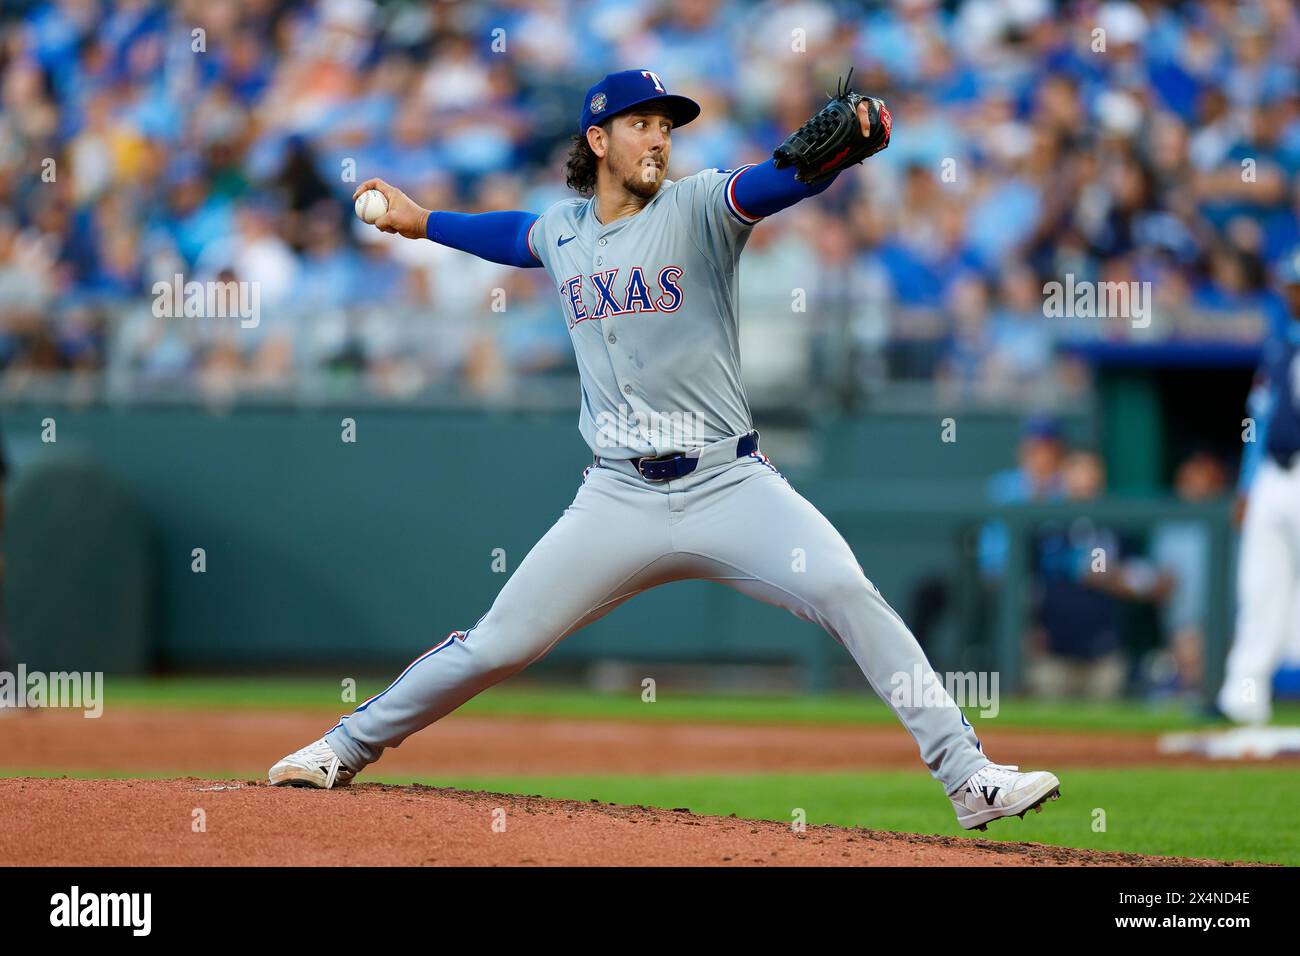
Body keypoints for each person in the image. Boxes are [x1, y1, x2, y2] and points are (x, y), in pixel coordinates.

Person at [269, 69, 1060, 830]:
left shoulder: (699, 206)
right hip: (616, 498)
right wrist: (422, 221)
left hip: (730, 483)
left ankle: (967, 776)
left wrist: (831, 153)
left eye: (666, 126)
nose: (659, 138)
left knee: (848, 592)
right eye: (642, 123)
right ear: (598, 138)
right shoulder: (564, 230)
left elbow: (776, 182)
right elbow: (509, 236)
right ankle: (342, 746)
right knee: (496, 646)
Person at [1217, 245, 1300, 724]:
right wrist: (1247, 485)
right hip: (1273, 473)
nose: (1291, 294)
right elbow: (1260, 420)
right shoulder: (1280, 341)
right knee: (1260, 586)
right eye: (1288, 285)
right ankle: (1243, 697)